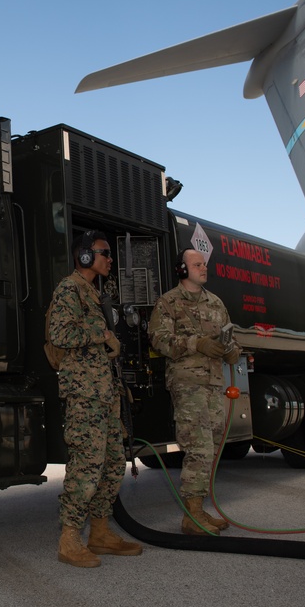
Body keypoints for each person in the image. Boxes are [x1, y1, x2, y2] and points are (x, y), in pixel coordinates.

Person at [47, 230, 142, 567]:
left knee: (113, 463)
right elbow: (59, 333)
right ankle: (69, 539)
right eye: (104, 253)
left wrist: (110, 344)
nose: (110, 259)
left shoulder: (92, 292)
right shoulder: (69, 289)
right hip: (85, 395)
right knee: (86, 467)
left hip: (105, 394)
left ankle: (99, 532)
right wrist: (101, 335)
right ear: (84, 256)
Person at [147, 248, 240, 535]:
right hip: (188, 385)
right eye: (197, 264)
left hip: (213, 384)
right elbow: (158, 339)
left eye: (204, 264)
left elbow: (229, 337)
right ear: (182, 270)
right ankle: (192, 515)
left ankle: (198, 508)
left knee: (210, 446)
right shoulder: (169, 303)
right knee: (198, 447)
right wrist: (195, 344)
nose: (204, 268)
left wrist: (232, 351)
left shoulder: (216, 303)